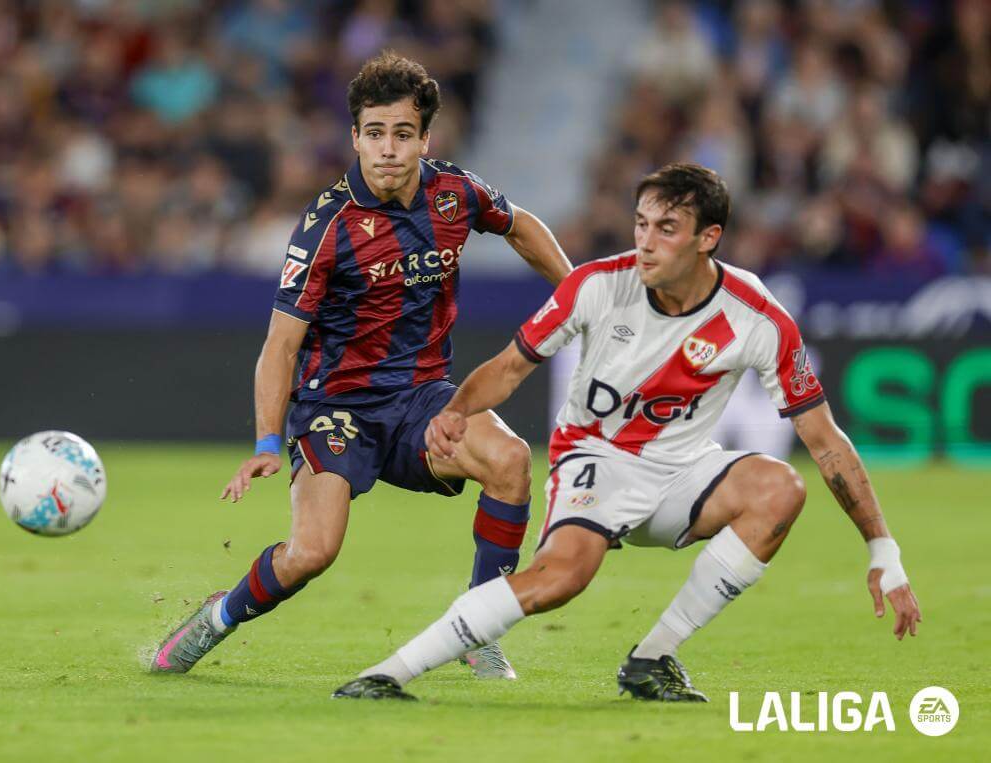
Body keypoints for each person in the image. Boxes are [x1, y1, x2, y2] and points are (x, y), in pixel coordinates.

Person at [332, 163, 921, 702]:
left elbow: (826, 441)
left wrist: (883, 548)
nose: (645, 240)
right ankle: (389, 673)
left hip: (682, 472)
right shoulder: (598, 284)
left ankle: (652, 659)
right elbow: (511, 365)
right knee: (561, 580)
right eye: (641, 223)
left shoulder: (756, 317)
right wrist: (455, 411)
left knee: (781, 488)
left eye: (667, 228)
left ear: (707, 238)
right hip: (595, 459)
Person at [150, 52, 572, 679]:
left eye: (403, 134)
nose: (388, 150)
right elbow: (279, 346)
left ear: (424, 138)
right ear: (355, 137)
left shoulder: (455, 194)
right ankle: (217, 618)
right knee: (312, 553)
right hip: (335, 408)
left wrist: (575, 292)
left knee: (510, 462)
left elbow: (518, 225)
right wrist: (269, 438)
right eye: (374, 134)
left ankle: (480, 626)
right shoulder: (327, 225)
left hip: (423, 399)